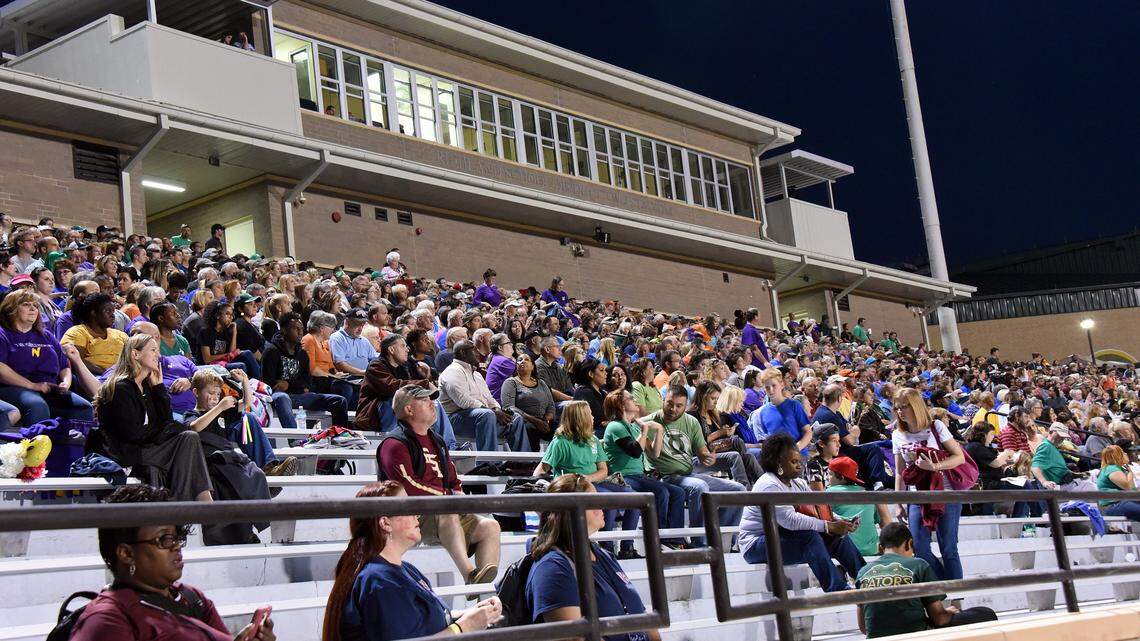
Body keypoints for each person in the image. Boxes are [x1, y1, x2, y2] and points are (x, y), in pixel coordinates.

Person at [69, 485, 277, 641]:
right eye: (165, 539)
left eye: (176, 537)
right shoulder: (106, 620)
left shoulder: (192, 598)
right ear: (126, 554)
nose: (176, 546)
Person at [321, 480, 502, 641]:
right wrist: (464, 627)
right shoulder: (380, 582)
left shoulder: (403, 569)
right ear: (385, 523)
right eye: (408, 507)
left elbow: (424, 621)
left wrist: (475, 614)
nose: (417, 513)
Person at [378, 385, 501, 585]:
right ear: (409, 409)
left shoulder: (438, 441)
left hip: (442, 512)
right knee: (447, 511)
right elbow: (407, 486)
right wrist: (448, 496)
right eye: (425, 400)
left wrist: (458, 494)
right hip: (411, 515)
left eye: (431, 399)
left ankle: (482, 591)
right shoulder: (394, 444)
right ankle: (469, 575)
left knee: (490, 526)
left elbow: (452, 478)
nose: (432, 404)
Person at [524, 473, 661, 641]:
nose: (601, 505)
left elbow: (641, 614)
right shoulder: (552, 568)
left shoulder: (603, 554)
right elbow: (575, 638)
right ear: (570, 512)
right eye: (593, 500)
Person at [738, 433, 864, 592]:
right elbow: (790, 520)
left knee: (837, 537)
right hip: (756, 544)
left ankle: (866, 579)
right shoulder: (769, 484)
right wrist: (829, 526)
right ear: (778, 463)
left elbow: (817, 509)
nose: (799, 466)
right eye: (793, 462)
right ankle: (837, 588)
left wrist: (841, 521)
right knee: (810, 537)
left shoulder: (798, 483)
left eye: (799, 461)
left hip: (784, 536)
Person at [94, 334, 213, 502]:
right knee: (187, 440)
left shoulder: (147, 387)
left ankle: (194, 503)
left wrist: (159, 388)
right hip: (126, 452)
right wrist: (166, 431)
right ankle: (199, 504)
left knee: (188, 438)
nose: (159, 354)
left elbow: (166, 421)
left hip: (145, 448)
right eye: (153, 350)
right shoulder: (121, 388)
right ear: (135, 354)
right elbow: (133, 433)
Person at [533, 401, 642, 559]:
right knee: (609, 501)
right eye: (589, 414)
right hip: (576, 487)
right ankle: (606, 549)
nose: (593, 417)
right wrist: (541, 484)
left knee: (636, 498)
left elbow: (603, 470)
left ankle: (627, 548)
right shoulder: (560, 442)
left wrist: (589, 478)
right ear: (580, 418)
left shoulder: (594, 440)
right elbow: (542, 469)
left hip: (595, 482)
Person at [856, 523, 996, 638]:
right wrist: (950, 612)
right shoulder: (919, 565)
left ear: (880, 547)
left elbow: (863, 628)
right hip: (916, 636)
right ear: (909, 543)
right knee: (986, 613)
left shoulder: (863, 572)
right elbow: (940, 619)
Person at [645, 386, 744, 547]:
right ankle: (700, 542)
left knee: (738, 490)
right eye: (670, 403)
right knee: (699, 486)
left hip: (688, 473)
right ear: (663, 400)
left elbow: (702, 452)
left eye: (679, 406)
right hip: (663, 476)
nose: (673, 409)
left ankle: (722, 541)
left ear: (685, 406)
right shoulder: (649, 422)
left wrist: (707, 458)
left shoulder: (691, 422)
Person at [892, 387, 966, 580]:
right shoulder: (897, 434)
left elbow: (959, 457)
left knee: (948, 548)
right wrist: (898, 502)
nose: (900, 411)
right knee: (919, 547)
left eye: (905, 406)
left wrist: (934, 466)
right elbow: (900, 472)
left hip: (945, 493)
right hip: (917, 495)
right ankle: (942, 586)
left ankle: (956, 592)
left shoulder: (936, 426)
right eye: (897, 407)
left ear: (916, 405)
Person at [602, 389, 687, 549]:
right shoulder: (615, 426)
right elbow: (635, 451)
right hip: (622, 477)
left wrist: (659, 430)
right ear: (621, 405)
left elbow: (654, 453)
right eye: (630, 398)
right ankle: (659, 539)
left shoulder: (634, 426)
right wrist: (645, 430)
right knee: (661, 492)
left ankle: (675, 539)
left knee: (678, 492)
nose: (635, 400)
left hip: (638, 476)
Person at [0, 289, 94, 425]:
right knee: (38, 405)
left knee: (83, 407)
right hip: (14, 387)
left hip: (49, 388)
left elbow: (64, 365)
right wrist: (33, 386)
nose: (33, 309)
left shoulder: (46, 335)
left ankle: (74, 440)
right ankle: (38, 439)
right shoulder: (3, 334)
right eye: (26, 304)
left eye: (35, 306)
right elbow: (1, 369)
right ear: (10, 309)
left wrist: (65, 383)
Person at [438, 340, 529, 455]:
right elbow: (464, 402)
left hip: (482, 417)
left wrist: (497, 409)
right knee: (486, 415)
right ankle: (488, 462)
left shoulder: (476, 374)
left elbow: (489, 399)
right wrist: (493, 412)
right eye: (474, 349)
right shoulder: (452, 371)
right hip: (454, 420)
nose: (478, 352)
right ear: (462, 352)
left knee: (515, 418)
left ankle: (523, 462)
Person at [262, 312, 349, 430]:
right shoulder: (271, 351)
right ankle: (296, 438)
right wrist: (294, 386)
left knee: (339, 401)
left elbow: (306, 382)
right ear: (283, 330)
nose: (300, 332)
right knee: (283, 397)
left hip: (299, 395)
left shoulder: (302, 353)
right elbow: (269, 383)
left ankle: (340, 434)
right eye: (295, 329)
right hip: (276, 397)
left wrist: (288, 384)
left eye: (301, 329)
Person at [826, 456, 892, 557]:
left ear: (841, 477)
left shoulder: (829, 493)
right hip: (872, 549)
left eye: (830, 474)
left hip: (846, 551)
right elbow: (877, 520)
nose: (827, 477)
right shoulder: (867, 493)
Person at [61, 292, 129, 375]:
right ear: (93, 313)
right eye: (108, 311)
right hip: (94, 378)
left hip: (122, 377)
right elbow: (75, 362)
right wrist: (107, 374)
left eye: (113, 311)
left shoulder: (121, 335)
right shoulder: (77, 332)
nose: (113, 315)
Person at [749, 367, 812, 454]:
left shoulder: (794, 405)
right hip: (777, 457)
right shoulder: (762, 412)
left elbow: (808, 432)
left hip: (798, 454)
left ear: (781, 385)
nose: (771, 390)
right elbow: (766, 439)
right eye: (767, 387)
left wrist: (796, 449)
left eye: (774, 385)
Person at [500, 352, 555, 448]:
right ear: (516, 366)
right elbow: (508, 407)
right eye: (519, 360)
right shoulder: (511, 382)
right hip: (524, 420)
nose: (522, 361)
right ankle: (532, 458)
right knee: (530, 429)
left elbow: (551, 404)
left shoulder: (541, 383)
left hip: (543, 420)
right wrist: (535, 421)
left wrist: (547, 420)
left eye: (526, 359)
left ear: (533, 366)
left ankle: (555, 455)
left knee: (562, 429)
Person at [198, 301, 261, 379]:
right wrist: (227, 355)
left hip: (224, 362)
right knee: (241, 366)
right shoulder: (205, 331)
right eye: (227, 314)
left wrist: (234, 332)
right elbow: (207, 359)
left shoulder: (226, 331)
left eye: (231, 315)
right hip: (210, 366)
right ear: (218, 316)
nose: (231, 317)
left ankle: (258, 382)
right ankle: (250, 384)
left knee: (247, 353)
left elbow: (232, 353)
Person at [328, 308, 375, 410]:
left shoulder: (364, 341)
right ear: (347, 322)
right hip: (345, 379)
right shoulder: (337, 338)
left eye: (362, 325)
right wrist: (363, 372)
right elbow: (340, 365)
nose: (360, 328)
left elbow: (375, 360)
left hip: (362, 379)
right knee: (346, 388)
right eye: (357, 324)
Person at [1097, 445, 1140, 521]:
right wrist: (1130, 473)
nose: (1126, 454)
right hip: (1114, 505)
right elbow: (1129, 488)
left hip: (1124, 501)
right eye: (1122, 453)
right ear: (1117, 456)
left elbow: (1132, 490)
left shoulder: (1120, 468)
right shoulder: (1111, 469)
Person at [573, 357, 609, 437]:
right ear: (591, 374)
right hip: (587, 433)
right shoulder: (583, 392)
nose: (606, 373)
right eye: (602, 370)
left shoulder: (603, 392)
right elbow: (598, 419)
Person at [535, 336, 574, 402]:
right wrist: (571, 399)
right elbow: (548, 390)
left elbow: (569, 387)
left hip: (564, 401)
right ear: (547, 349)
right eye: (557, 346)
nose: (560, 349)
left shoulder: (559, 367)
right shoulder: (538, 366)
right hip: (550, 404)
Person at [483, 332, 516, 403]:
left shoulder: (498, 359)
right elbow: (526, 373)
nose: (512, 344)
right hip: (501, 403)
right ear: (500, 347)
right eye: (508, 343)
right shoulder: (502, 361)